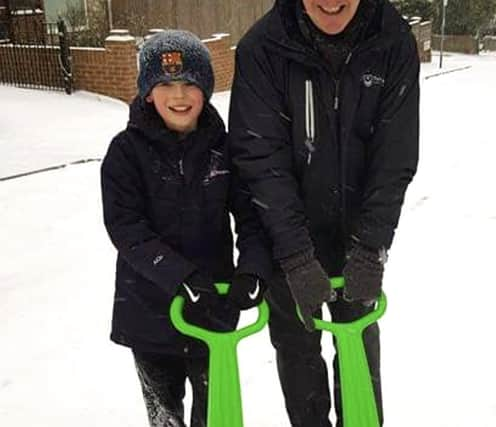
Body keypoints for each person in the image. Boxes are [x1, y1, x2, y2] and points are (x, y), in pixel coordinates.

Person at [228, 0, 419, 425]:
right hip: (286, 236)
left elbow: (395, 156)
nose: (331, 1)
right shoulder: (263, 48)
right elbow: (260, 159)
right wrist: (295, 255)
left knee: (359, 355)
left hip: (357, 238)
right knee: (299, 359)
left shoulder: (392, 40)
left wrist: (370, 248)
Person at [100, 30, 272, 427]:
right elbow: (127, 229)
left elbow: (250, 216)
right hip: (149, 311)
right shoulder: (125, 153)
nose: (179, 96)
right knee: (165, 416)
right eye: (165, 85)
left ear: (206, 90)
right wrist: (178, 276)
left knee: (216, 411)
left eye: (189, 84)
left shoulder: (225, 149)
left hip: (213, 304)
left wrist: (254, 268)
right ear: (147, 92)